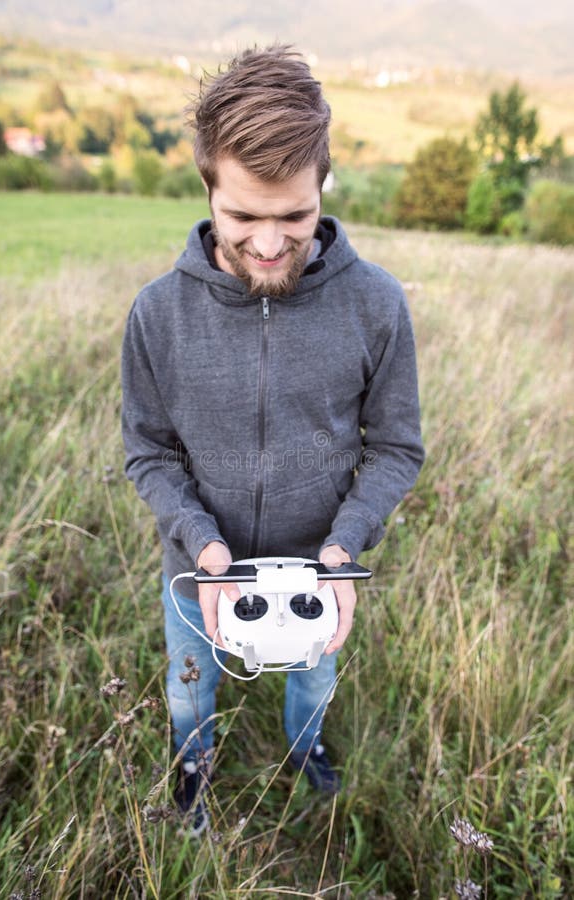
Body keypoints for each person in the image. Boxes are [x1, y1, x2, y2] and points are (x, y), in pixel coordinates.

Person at [121, 45, 425, 835]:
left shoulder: (376, 304)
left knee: (313, 683)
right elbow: (147, 451)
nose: (266, 242)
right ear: (207, 190)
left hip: (317, 572)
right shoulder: (157, 315)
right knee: (189, 689)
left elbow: (396, 447)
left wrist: (344, 548)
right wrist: (203, 550)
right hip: (197, 568)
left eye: (292, 215)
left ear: (322, 185)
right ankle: (192, 772)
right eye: (242, 216)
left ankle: (304, 748)